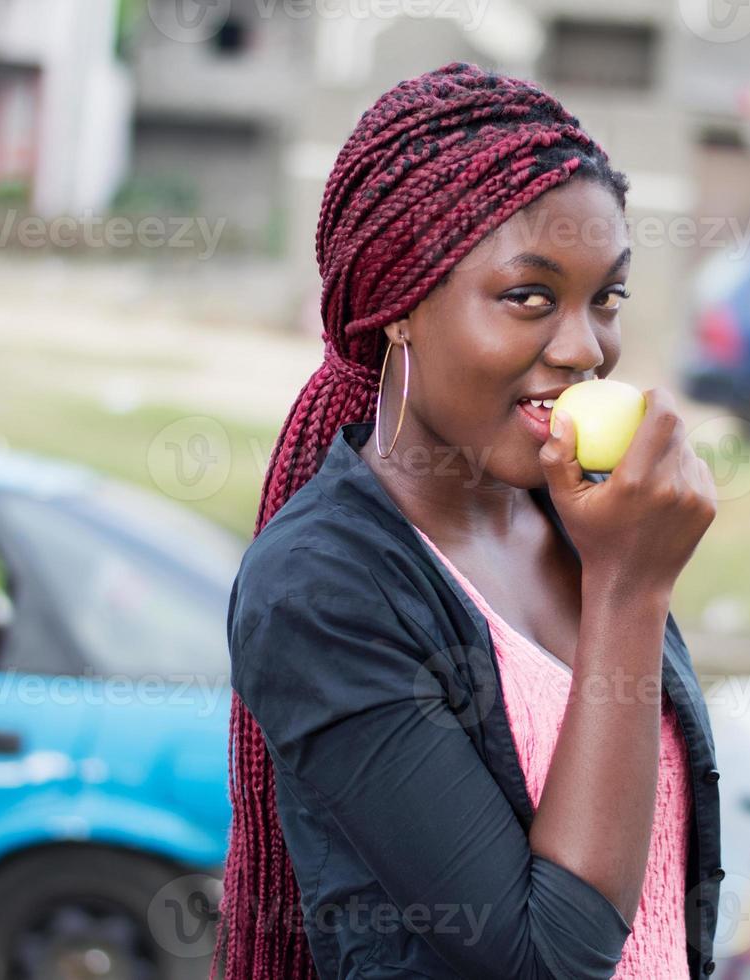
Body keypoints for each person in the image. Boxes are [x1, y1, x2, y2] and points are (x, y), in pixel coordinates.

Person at [219, 61, 723, 980]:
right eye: (530, 297)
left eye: (604, 297)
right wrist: (632, 588)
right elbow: (545, 960)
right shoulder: (322, 591)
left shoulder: (581, 517)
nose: (585, 350)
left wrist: (618, 566)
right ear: (400, 307)